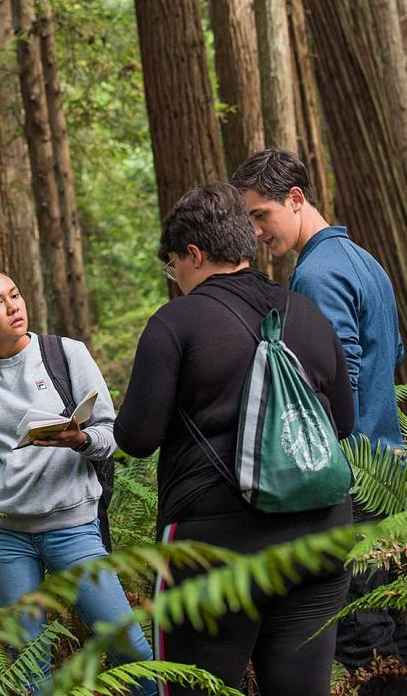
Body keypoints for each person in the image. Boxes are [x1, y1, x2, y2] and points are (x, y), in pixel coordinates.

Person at [114, 183, 354, 696]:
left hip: (214, 546)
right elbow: (343, 424)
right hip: (320, 536)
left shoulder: (175, 322)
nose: (175, 278)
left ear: (194, 254)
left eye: (173, 264)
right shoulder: (306, 313)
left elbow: (136, 437)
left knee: (193, 687)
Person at [0, 265, 156, 696]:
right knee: (27, 662)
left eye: (15, 295)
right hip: (5, 533)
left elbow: (110, 437)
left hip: (72, 527)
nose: (12, 307)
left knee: (127, 643)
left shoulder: (66, 355)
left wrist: (78, 439)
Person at [232, 148, 407, 681]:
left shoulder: (316, 276)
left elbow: (336, 386)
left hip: (354, 483)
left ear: (296, 198)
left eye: (262, 215)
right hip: (387, 473)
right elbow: (394, 355)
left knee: (363, 638)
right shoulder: (363, 260)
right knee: (395, 627)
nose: (258, 233)